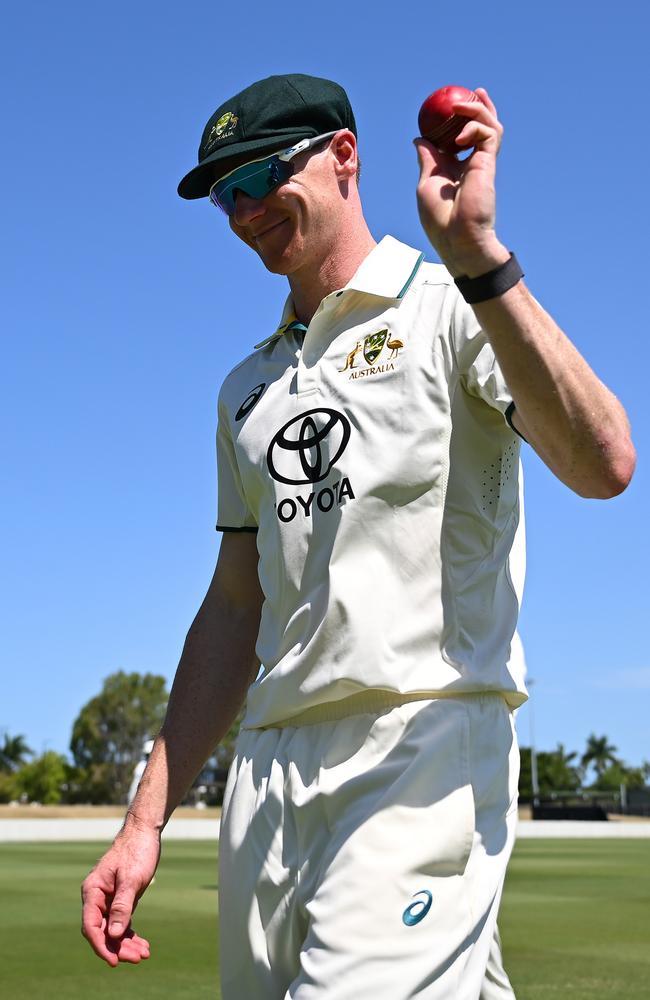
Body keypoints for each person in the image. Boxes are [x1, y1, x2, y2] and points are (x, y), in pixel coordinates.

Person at [81, 73, 635, 998]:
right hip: (269, 774)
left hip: (420, 743)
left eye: (261, 174)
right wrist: (145, 821)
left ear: (344, 156)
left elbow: (604, 462)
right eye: (226, 194)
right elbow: (231, 609)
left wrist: (479, 258)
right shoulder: (244, 390)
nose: (245, 210)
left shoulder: (451, 304)